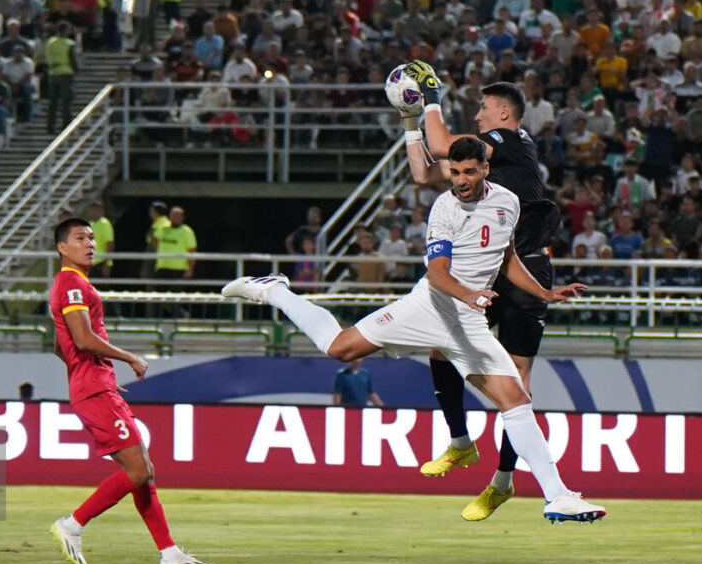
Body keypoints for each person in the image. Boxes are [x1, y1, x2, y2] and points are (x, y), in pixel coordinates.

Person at [223, 138, 605, 524]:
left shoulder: (508, 201)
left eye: (469, 171)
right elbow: (438, 274)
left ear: (485, 168)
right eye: (455, 172)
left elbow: (505, 257)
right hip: (428, 308)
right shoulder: (444, 208)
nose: (461, 180)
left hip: (467, 322)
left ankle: (558, 496)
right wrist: (470, 294)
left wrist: (544, 292)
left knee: (517, 402)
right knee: (340, 348)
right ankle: (275, 291)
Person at [400, 64, 565, 521]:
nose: (476, 116)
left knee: (517, 380)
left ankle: (503, 481)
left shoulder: (512, 141)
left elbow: (442, 144)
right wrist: (409, 123)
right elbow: (426, 172)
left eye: (483, 108)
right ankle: (459, 442)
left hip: (527, 263)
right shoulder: (487, 163)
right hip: (491, 271)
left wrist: (432, 94)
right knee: (438, 347)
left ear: (505, 113)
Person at [48, 217, 217, 564]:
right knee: (139, 470)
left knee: (144, 472)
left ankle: (170, 554)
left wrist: (95, 372)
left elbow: (58, 345)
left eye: (92, 238)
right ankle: (72, 524)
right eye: (80, 238)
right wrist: (128, 358)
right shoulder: (70, 284)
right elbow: (80, 339)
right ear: (62, 247)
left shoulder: (74, 285)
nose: (90, 244)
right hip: (94, 390)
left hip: (96, 385)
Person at [87, 201, 114, 278]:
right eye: (92, 209)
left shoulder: (105, 224)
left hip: (100, 262)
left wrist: (107, 264)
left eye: (95, 209)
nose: (93, 211)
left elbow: (110, 244)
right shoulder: (90, 224)